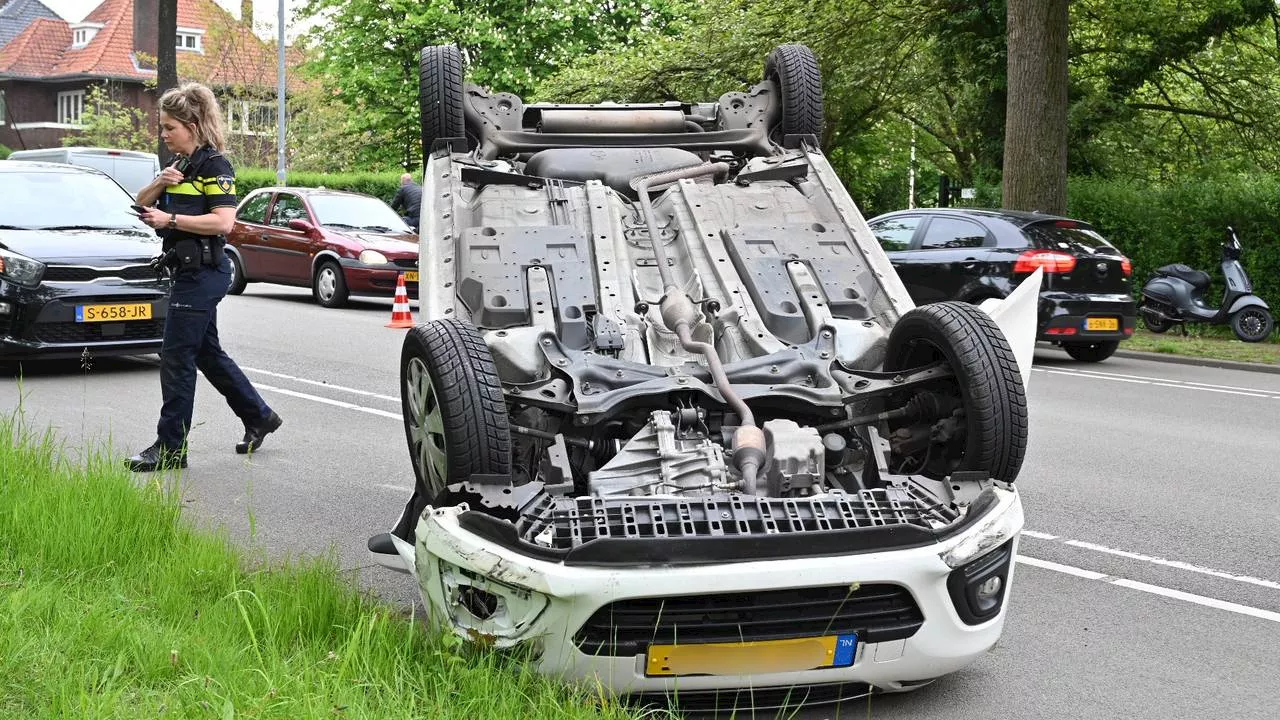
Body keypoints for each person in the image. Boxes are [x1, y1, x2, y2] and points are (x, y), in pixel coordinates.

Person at [126, 82, 282, 472]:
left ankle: (170, 448)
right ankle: (259, 416)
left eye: (169, 127)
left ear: (192, 125)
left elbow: (223, 221)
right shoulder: (180, 167)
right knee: (207, 353)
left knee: (176, 355)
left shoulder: (215, 166)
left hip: (206, 273)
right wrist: (161, 182)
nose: (163, 134)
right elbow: (139, 202)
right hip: (186, 272)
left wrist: (171, 219)